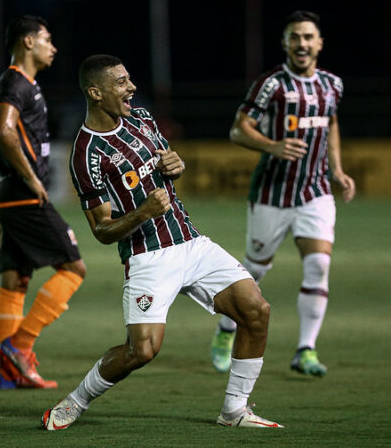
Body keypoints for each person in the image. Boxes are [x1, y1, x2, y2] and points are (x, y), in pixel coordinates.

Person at [41, 54, 282, 430]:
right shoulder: (85, 154)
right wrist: (143, 213)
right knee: (143, 350)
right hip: (147, 256)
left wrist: (176, 165)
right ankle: (76, 401)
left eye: (129, 79)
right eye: (120, 82)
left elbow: (169, 164)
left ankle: (234, 410)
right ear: (96, 93)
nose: (131, 87)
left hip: (190, 241)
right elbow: (102, 230)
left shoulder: (141, 118)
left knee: (257, 311)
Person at [209, 10, 356, 377]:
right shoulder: (271, 85)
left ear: (319, 43)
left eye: (308, 37)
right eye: (295, 37)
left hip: (316, 191)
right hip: (272, 193)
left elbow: (332, 123)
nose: (302, 44)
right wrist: (273, 146)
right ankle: (227, 328)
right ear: (285, 43)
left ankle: (305, 349)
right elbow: (238, 131)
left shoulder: (332, 85)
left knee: (319, 264)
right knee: (255, 270)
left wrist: (337, 169)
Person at [0, 15, 86, 390]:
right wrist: (31, 177)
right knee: (74, 269)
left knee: (15, 281)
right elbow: (3, 129)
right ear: (28, 42)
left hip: (5, 198)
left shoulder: (25, 84)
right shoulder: (15, 82)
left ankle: (9, 375)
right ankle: (19, 346)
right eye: (47, 39)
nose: (53, 47)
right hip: (23, 196)